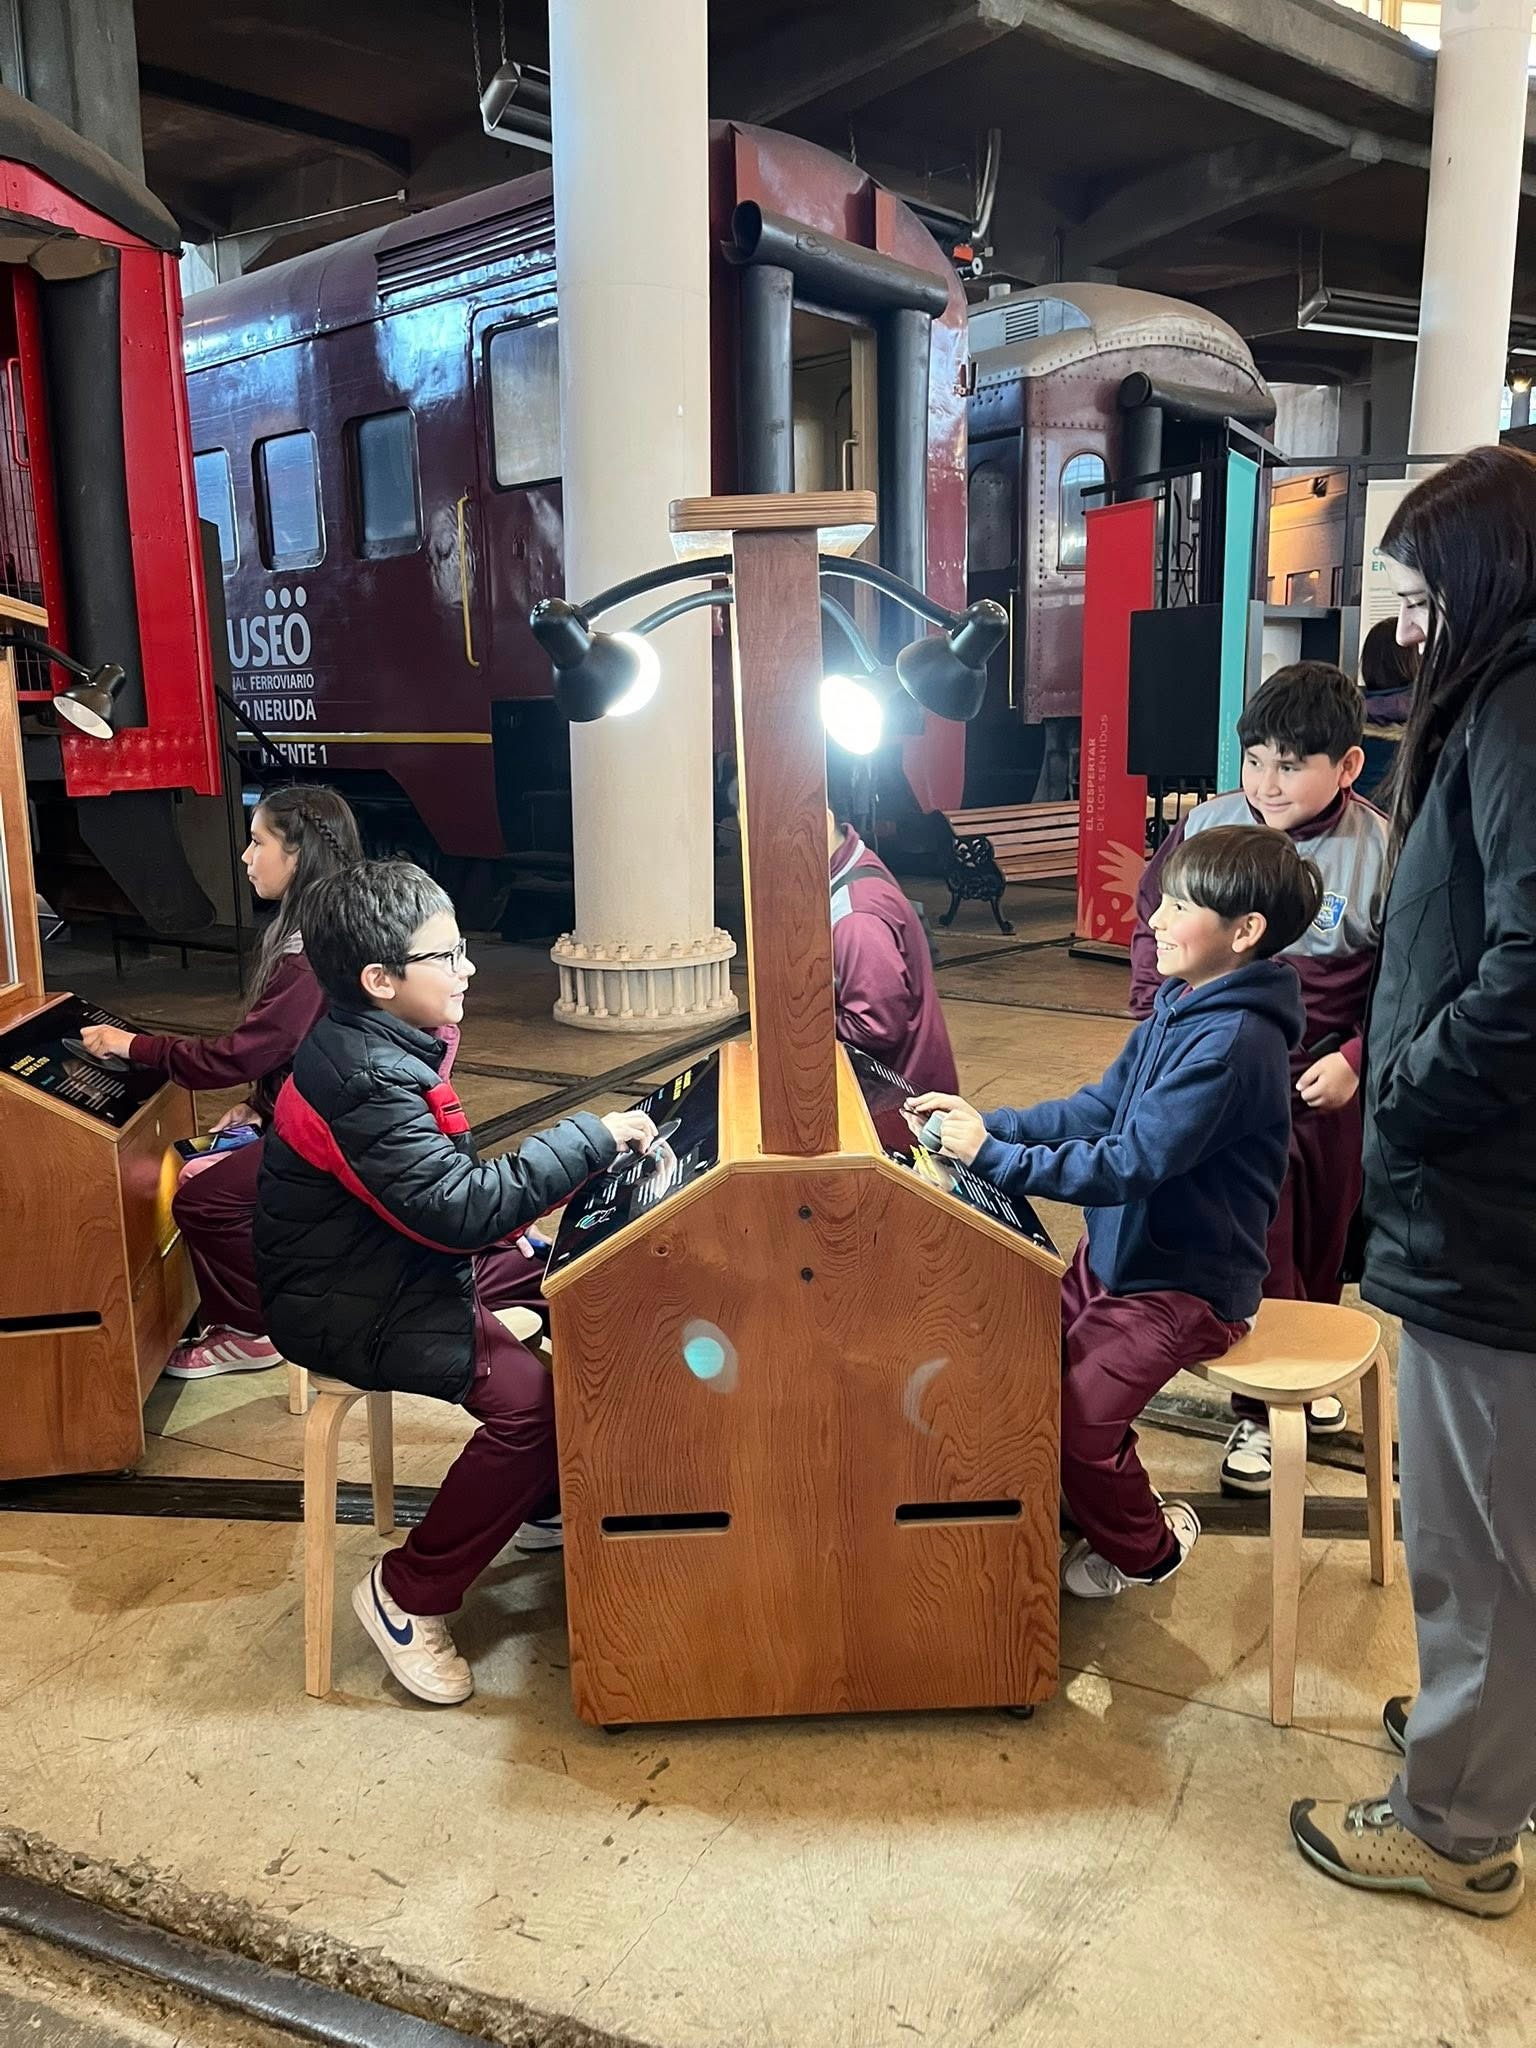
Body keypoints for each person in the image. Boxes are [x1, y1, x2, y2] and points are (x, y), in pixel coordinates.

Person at [1291, 444, 1536, 1920]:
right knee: (1496, 1519)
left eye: (1422, 596)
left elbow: (1529, 966)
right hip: (1487, 1193)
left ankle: (1456, 1825)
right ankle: (1486, 1738)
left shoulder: (1519, 705)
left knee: (1478, 1537)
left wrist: (1405, 1090)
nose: (1406, 627)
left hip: (1489, 1204)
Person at [254, 859, 656, 1707]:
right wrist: (592, 1139)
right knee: (531, 1410)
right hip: (351, 1303)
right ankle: (407, 1593)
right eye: (446, 956)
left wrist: (521, 1232)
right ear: (380, 979)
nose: (467, 969)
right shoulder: (368, 1076)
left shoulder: (383, 1040)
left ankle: (535, 1500)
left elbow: (428, 1193)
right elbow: (454, 1209)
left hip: (393, 1262)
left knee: (575, 1281)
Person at [910, 825, 1320, 1597]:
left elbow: (1130, 1163)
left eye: (1179, 907)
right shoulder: (1182, 1003)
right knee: (1018, 1368)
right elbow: (1100, 1108)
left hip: (1183, 1288)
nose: (1155, 919)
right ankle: (1071, 1503)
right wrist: (993, 1124)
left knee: (1076, 1423)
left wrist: (992, 1157)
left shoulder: (1235, 1043)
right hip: (1113, 1262)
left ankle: (1150, 1551)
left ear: (1244, 932)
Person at [1129, 663, 1388, 1496]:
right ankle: (1258, 1409)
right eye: (1254, 761)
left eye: (1290, 764)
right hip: (1226, 1080)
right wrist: (1157, 1021)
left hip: (1323, 1085)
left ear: (1347, 766)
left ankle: (1305, 1372)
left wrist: (1356, 1060)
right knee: (1252, 1243)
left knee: (1320, 1240)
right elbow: (1152, 927)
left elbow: (1408, 978)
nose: (1266, 784)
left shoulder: (1384, 848)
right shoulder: (1206, 827)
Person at [80, 785, 362, 1380]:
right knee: (197, 1166)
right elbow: (299, 1051)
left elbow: (240, 1054)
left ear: (298, 853)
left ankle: (253, 1330)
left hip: (341, 1134)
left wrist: (135, 1046)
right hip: (328, 1117)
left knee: (203, 1200)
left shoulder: (312, 953)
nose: (245, 856)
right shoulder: (329, 927)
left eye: (257, 842)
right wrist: (261, 1106)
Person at [828, 808, 957, 1095]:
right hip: (921, 1073)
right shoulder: (858, 859)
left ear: (822, 822)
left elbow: (877, 1026)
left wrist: (807, 1023)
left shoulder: (856, 918)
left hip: (901, 1096)